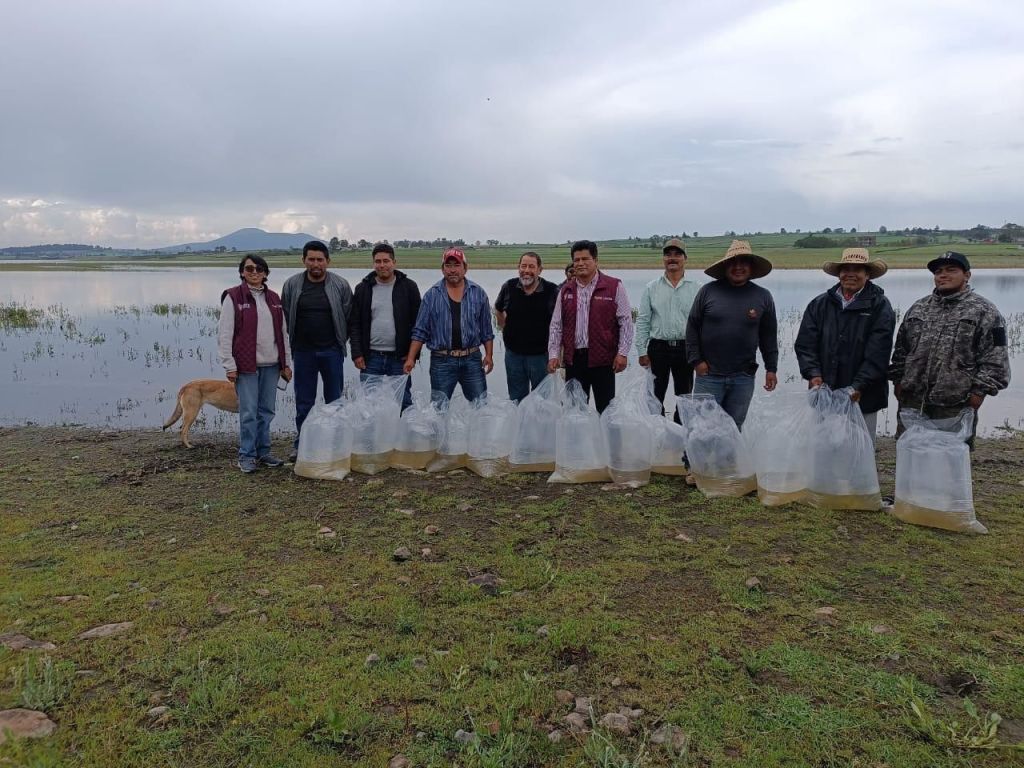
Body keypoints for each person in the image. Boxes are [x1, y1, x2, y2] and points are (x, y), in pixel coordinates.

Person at [889, 251, 1010, 449]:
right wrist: (898, 381)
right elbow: (901, 350)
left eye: (951, 270)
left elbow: (996, 360)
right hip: (913, 402)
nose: (943, 275)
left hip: (955, 405)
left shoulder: (985, 311)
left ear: (967, 275)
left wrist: (978, 394)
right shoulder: (918, 308)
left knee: (949, 462)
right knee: (911, 458)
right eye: (938, 272)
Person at [794, 248, 896, 442]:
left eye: (857, 269)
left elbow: (878, 353)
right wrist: (814, 374)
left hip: (863, 396)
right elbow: (805, 345)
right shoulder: (819, 304)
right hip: (824, 392)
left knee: (860, 449)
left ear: (867, 274)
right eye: (845, 269)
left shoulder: (880, 306)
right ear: (839, 273)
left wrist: (858, 386)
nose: (850, 274)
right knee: (824, 447)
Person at [685, 239, 778, 428]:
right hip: (709, 375)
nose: (738, 267)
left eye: (743, 262)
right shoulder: (708, 291)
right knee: (701, 427)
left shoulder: (763, 296)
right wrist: (696, 361)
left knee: (734, 428)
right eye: (733, 263)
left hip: (743, 377)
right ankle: (692, 459)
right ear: (726, 266)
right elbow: (692, 327)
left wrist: (771, 368)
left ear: (751, 267)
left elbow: (768, 337)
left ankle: (727, 459)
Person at [217, 254, 292, 473]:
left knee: (266, 411)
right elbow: (224, 333)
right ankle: (246, 455)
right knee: (248, 412)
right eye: (249, 269)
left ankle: (263, 452)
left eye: (259, 269)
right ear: (242, 272)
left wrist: (286, 362)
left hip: (272, 365)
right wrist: (229, 364)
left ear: (266, 273)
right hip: (246, 366)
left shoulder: (274, 298)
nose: (254, 272)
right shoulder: (233, 297)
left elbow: (283, 333)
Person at [281, 240, 353, 458]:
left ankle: (335, 444)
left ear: (328, 261)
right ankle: (302, 444)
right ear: (303, 260)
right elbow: (284, 316)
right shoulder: (292, 285)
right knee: (304, 402)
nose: (315, 264)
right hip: (303, 353)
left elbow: (349, 317)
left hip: (332, 352)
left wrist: (341, 342)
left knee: (335, 400)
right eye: (311, 259)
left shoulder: (340, 285)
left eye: (320, 260)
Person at [547, 240, 634, 413]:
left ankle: (608, 441)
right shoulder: (566, 290)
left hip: (603, 360)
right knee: (574, 412)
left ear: (595, 260)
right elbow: (556, 325)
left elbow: (626, 322)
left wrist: (622, 353)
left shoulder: (614, 286)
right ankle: (578, 441)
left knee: (607, 411)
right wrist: (554, 354)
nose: (580, 263)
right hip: (574, 360)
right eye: (576, 260)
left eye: (585, 259)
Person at [404, 248, 494, 402]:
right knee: (438, 410)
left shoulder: (478, 293)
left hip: (472, 359)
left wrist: (489, 355)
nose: (452, 270)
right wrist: (411, 358)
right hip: (442, 361)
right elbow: (420, 331)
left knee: (481, 407)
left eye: (456, 265)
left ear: (465, 268)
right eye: (448, 265)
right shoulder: (431, 295)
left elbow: (486, 330)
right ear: (442, 269)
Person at [350, 243, 421, 410]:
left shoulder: (409, 287)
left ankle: (403, 434)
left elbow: (418, 324)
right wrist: (357, 353)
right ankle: (372, 436)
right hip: (371, 357)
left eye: (386, 261)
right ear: (373, 263)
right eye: (378, 261)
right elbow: (354, 324)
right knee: (369, 404)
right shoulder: (363, 289)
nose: (382, 265)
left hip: (400, 358)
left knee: (403, 401)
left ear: (394, 262)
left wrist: (413, 355)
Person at [635, 238, 699, 421]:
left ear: (685, 258)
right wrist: (641, 350)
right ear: (663, 259)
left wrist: (700, 353)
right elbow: (643, 321)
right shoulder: (651, 288)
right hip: (658, 349)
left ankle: (681, 433)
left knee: (685, 396)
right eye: (668, 254)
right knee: (654, 396)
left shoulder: (696, 288)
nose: (672, 258)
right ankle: (658, 432)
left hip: (685, 348)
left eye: (677, 254)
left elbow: (700, 324)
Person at [494, 251, 558, 402]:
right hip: (514, 356)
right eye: (523, 266)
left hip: (541, 357)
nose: (526, 270)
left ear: (540, 270)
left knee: (542, 401)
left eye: (531, 266)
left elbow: (559, 323)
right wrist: (505, 328)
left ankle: (540, 427)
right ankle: (519, 425)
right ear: (518, 268)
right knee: (516, 399)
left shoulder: (552, 290)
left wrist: (557, 354)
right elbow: (498, 309)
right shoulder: (509, 286)